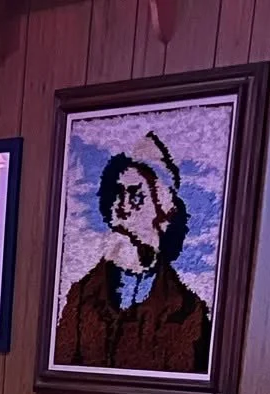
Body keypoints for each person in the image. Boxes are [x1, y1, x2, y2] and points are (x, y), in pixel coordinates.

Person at [52, 132, 211, 375]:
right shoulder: (82, 296)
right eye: (119, 194)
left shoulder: (189, 311)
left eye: (136, 197)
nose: (123, 207)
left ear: (163, 212)